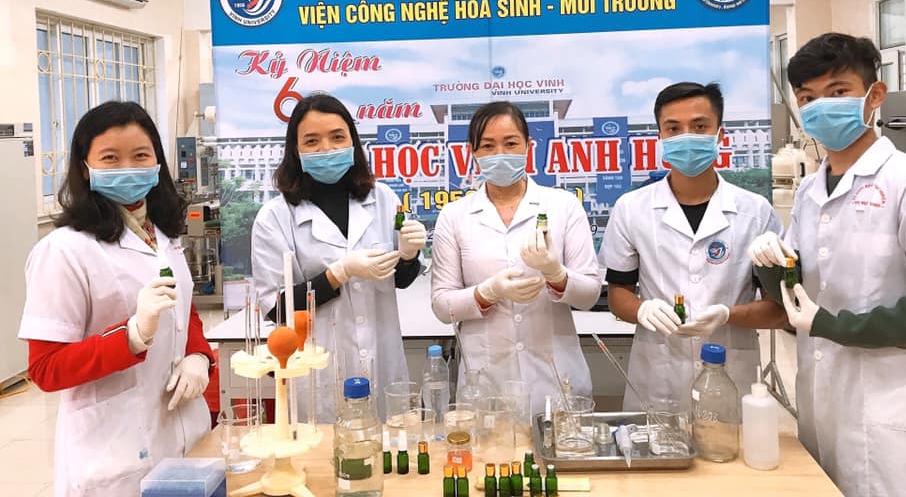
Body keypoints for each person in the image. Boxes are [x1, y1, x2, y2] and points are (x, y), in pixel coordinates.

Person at [749, 33, 906, 497]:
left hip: (893, 401)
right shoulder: (810, 190)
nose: (821, 107)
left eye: (838, 91)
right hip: (822, 395)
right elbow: (796, 292)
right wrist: (769, 263)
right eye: (808, 98)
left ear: (874, 95)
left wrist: (834, 325)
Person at [18, 101, 213, 497]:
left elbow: (183, 310)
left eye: (140, 155)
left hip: (185, 438)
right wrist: (131, 336)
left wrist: (198, 355)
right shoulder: (64, 251)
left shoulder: (162, 234)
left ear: (157, 163)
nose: (128, 167)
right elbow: (45, 368)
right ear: (84, 168)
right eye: (110, 158)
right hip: (115, 454)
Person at [600, 82, 785, 410]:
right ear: (660, 137)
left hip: (731, 374)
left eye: (699, 127)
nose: (686, 136)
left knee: (726, 439)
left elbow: (778, 311)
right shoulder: (631, 209)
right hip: (657, 378)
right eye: (673, 128)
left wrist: (728, 315)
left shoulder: (755, 212)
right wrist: (642, 310)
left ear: (720, 134)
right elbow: (618, 295)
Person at [251, 93, 426, 422]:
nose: (327, 148)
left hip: (381, 357)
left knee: (385, 445)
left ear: (352, 142)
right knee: (323, 447)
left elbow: (401, 280)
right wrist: (339, 273)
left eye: (337, 137)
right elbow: (277, 307)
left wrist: (408, 255)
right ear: (295, 150)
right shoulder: (275, 217)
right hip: (318, 370)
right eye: (312, 141)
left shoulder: (382, 198)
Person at [430, 101, 601, 414]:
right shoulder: (454, 216)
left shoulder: (563, 206)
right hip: (487, 384)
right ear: (472, 152)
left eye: (510, 143)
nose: (500, 153)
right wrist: (486, 292)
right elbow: (442, 306)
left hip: (557, 379)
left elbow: (589, 294)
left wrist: (556, 274)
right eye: (487, 146)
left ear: (528, 147)